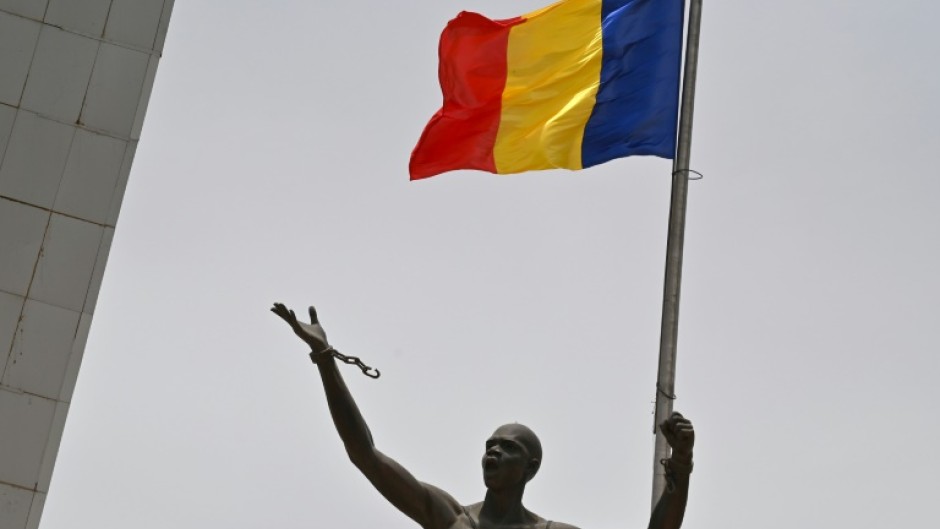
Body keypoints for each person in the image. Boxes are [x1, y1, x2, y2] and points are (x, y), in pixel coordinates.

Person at [272, 303, 695, 529]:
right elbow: (364, 455)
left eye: (505, 448)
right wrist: (325, 357)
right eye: (489, 446)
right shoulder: (451, 518)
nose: (491, 452)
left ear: (530, 468)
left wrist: (681, 463)